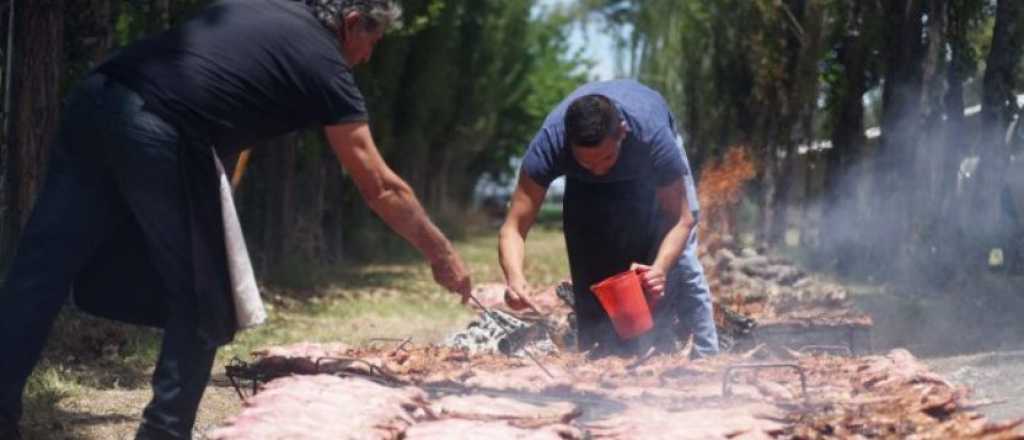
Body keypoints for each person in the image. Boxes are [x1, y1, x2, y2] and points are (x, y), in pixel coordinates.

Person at [0, 0, 472, 438]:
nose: (369, 56)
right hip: (157, 126)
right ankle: (164, 432)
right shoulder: (324, 63)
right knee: (206, 296)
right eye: (374, 40)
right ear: (351, 22)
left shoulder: (262, 13)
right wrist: (441, 253)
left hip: (97, 96)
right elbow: (380, 186)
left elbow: (216, 86)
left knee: (41, 270)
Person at [498, 80, 718, 358]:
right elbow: (514, 227)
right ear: (568, 143)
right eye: (586, 162)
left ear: (622, 133)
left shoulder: (653, 138)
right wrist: (514, 279)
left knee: (682, 263)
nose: (599, 170)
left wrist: (659, 269)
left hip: (648, 169)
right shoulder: (550, 144)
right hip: (583, 187)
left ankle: (705, 355)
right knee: (589, 256)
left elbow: (680, 220)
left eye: (606, 158)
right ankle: (602, 354)